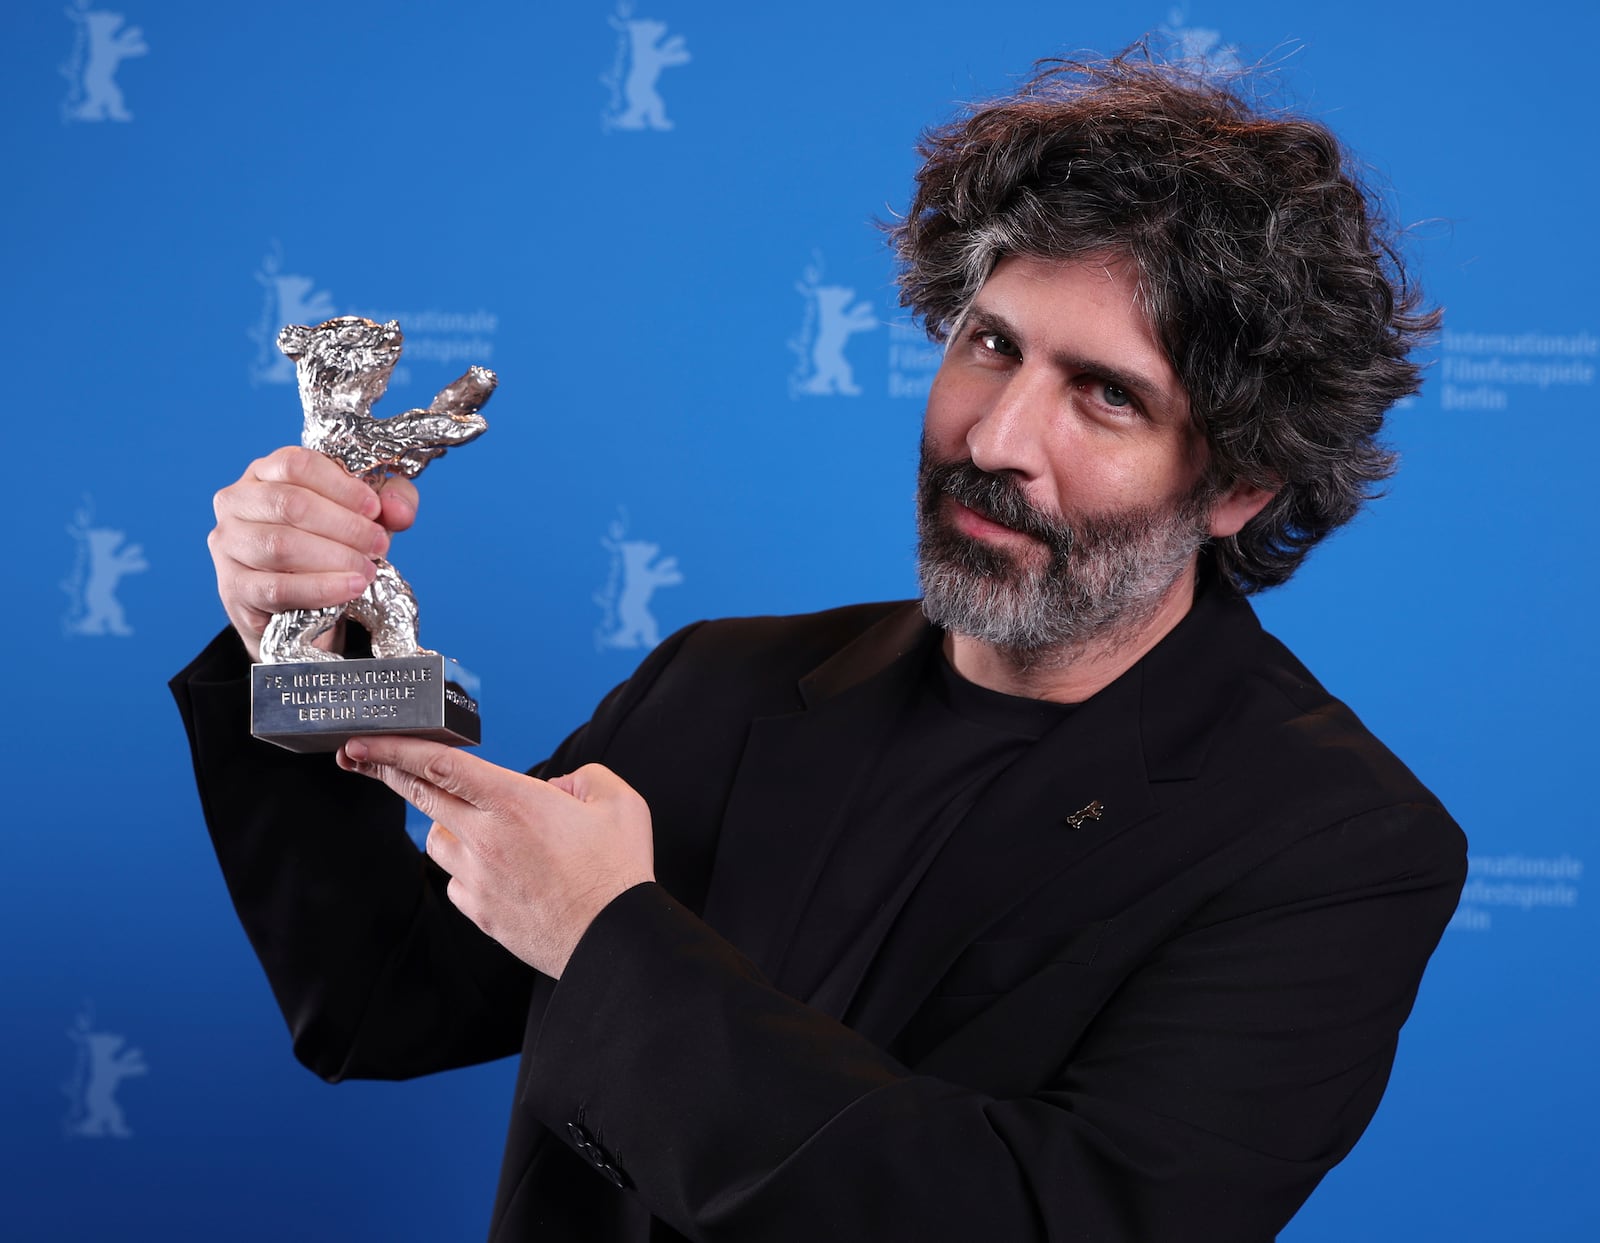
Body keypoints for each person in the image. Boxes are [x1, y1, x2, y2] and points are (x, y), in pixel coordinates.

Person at [173, 53, 1465, 1243]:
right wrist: (298, 643)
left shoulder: (1337, 845)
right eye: (990, 345)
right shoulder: (723, 686)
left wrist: (607, 932)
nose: (997, 436)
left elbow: (1044, 1223)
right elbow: (381, 1003)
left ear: (1239, 484)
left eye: (1106, 395)